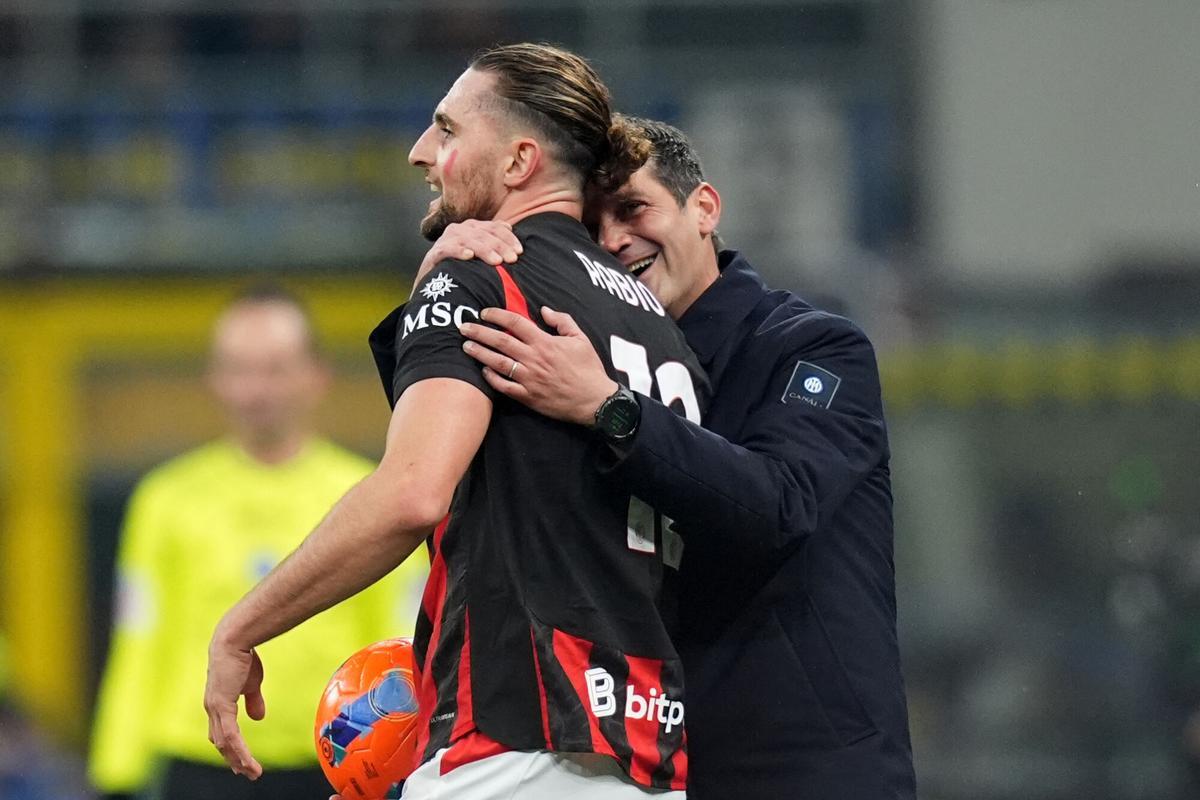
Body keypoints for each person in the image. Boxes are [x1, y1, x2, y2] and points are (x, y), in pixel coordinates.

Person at [204, 44, 706, 800]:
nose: (421, 152)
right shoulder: (663, 330)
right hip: (647, 755)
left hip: (517, 743)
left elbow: (412, 493)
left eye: (447, 130)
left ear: (519, 162)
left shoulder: (480, 275)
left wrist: (241, 628)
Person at [451, 118, 917, 799]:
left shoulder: (812, 347)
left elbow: (779, 506)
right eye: (592, 227)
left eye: (633, 208)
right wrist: (444, 275)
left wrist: (610, 408)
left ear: (704, 208)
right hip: (653, 765)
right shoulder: (578, 363)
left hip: (807, 767)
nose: (613, 240)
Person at [89, 286, 426, 800]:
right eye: (239, 369)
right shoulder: (165, 500)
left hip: (336, 762)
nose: (256, 390)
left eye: (274, 369)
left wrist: (410, 759)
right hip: (198, 764)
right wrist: (116, 772)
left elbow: (401, 637)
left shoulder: (370, 495)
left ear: (317, 375)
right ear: (214, 378)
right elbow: (140, 640)